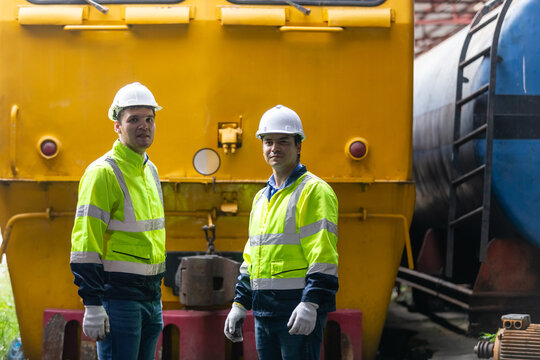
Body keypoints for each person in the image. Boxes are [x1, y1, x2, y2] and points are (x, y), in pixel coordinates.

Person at [224, 105, 339, 359]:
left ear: (298, 146)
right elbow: (251, 259)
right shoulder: (261, 199)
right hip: (265, 314)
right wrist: (240, 304)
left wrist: (311, 303)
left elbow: (323, 256)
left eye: (283, 141)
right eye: (268, 142)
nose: (274, 148)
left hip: (297, 311)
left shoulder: (313, 191)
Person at [70, 82, 166, 360]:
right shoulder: (103, 173)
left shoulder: (150, 170)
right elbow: (85, 241)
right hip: (119, 301)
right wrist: (93, 304)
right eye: (133, 119)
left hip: (151, 298)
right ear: (117, 126)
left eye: (149, 119)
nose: (143, 126)